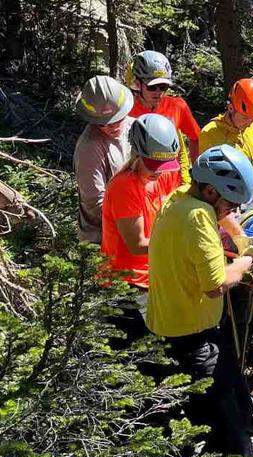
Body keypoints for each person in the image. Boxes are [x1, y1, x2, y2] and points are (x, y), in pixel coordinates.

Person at [146, 144, 253, 457]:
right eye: (229, 203)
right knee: (226, 431)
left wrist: (240, 237)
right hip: (194, 340)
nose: (231, 211)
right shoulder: (197, 217)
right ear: (211, 192)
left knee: (233, 408)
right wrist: (247, 261)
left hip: (171, 328)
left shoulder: (179, 197)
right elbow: (216, 284)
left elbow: (221, 222)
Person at [100, 114, 183, 338]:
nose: (159, 170)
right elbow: (137, 245)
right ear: (137, 154)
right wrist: (180, 246)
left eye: (164, 165)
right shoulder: (124, 187)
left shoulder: (165, 175)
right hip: (125, 282)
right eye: (153, 164)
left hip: (155, 274)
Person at [73, 75, 134, 244]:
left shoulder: (135, 127)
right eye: (104, 123)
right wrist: (131, 223)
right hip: (102, 236)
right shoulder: (89, 148)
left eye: (118, 119)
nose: (113, 126)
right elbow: (95, 203)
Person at [125, 50, 202, 163]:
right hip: (139, 171)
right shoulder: (126, 109)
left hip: (171, 172)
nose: (158, 92)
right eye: (152, 87)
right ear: (137, 84)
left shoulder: (177, 106)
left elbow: (196, 137)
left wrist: (196, 168)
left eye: (163, 86)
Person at [199, 78, 253, 193]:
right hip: (233, 200)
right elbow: (207, 179)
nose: (250, 123)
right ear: (231, 108)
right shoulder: (209, 134)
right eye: (245, 118)